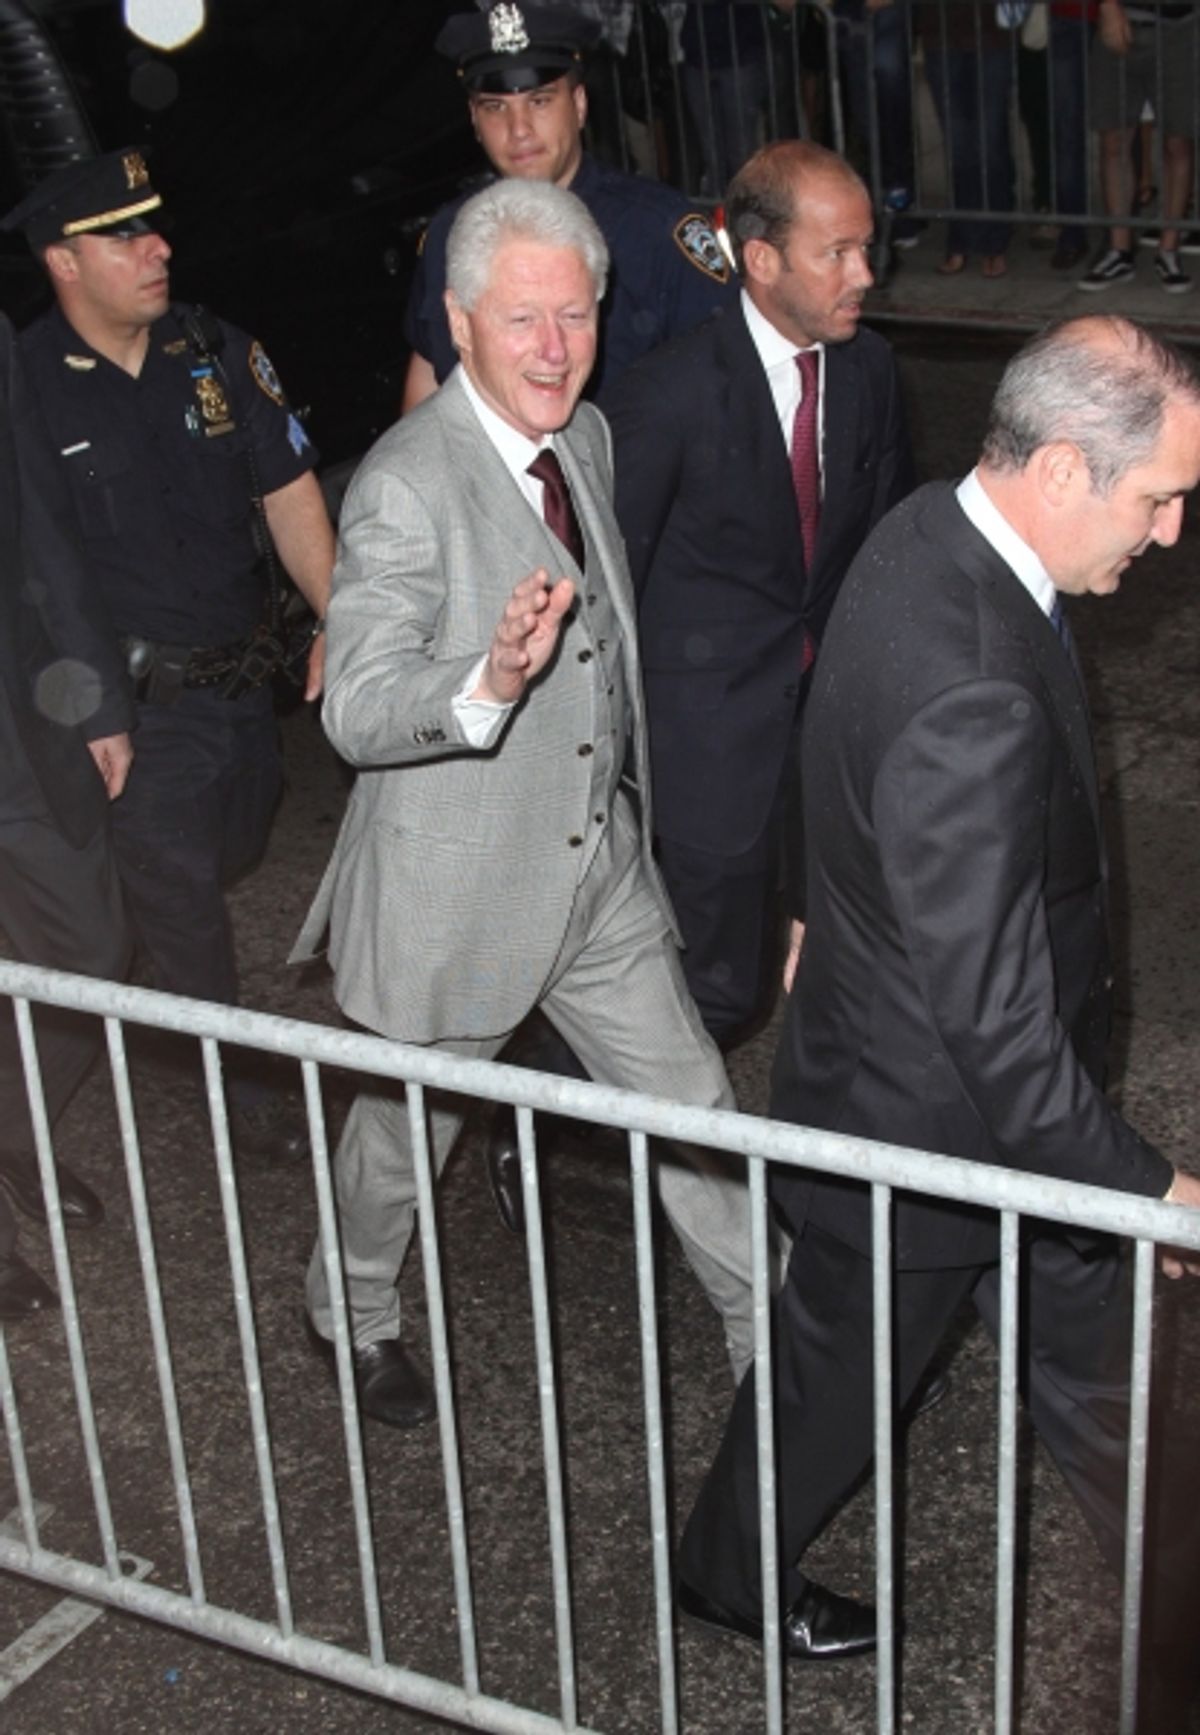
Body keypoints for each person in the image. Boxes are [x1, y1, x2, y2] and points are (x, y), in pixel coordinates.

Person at [675, 316, 1200, 1698]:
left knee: (1086, 1390)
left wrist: (805, 894)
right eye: (1159, 498)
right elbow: (998, 1019)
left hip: (900, 1097)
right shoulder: (974, 675)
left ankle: (1171, 1623)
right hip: (952, 1135)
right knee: (850, 1383)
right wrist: (1149, 1188)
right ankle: (728, 1576)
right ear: (1071, 468)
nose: (1170, 535)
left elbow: (820, 732)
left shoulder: (924, 526)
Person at [292, 178, 755, 1427]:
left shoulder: (584, 438)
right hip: (458, 886)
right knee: (400, 1141)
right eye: (521, 321)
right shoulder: (405, 483)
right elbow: (358, 703)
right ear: (458, 320)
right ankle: (350, 1313)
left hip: (593, 867)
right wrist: (487, 680)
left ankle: (770, 1342)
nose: (556, 350)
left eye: (577, 316)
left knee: (697, 1111)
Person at [2, 150, 335, 1166]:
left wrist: (344, 617)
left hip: (242, 688)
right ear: (64, 261)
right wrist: (90, 701)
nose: (161, 249)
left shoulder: (215, 352)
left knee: (234, 846)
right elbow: (38, 564)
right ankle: (227, 1080)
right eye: (126, 236)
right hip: (139, 703)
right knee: (183, 898)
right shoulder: (30, 387)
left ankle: (135, 961)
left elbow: (288, 493)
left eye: (156, 227)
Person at [605, 140, 913, 1046]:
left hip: (830, 743)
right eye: (838, 254)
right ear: (763, 259)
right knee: (721, 993)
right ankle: (545, 1111)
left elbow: (881, 549)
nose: (865, 273)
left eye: (868, 247)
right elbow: (610, 586)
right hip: (708, 756)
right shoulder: (664, 397)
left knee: (842, 979)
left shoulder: (869, 371)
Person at [400, 2, 737, 412]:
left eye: (540, 102)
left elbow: (727, 384)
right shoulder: (449, 235)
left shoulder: (657, 231)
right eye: (495, 107)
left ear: (578, 105)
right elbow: (428, 372)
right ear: (473, 117)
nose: (519, 130)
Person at [0, 312, 134, 1321]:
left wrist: (94, 699)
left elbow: (39, 515)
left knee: (90, 956)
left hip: (17, 728)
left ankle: (13, 1132)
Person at [1078, 0, 1196, 293]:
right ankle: (1119, 251)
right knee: (1113, 138)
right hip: (1121, 20)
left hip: (1179, 26)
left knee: (1178, 140)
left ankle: (1168, 248)